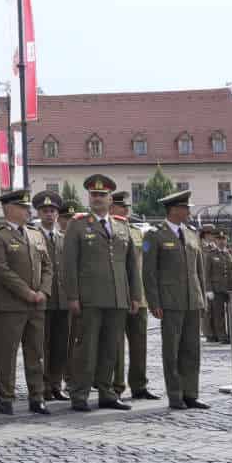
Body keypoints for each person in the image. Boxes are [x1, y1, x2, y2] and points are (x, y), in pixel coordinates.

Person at [63, 174, 141, 411]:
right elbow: (69, 264)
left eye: (102, 195)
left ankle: (107, 392)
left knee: (111, 348)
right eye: (93, 195)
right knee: (86, 348)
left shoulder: (121, 226)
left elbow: (131, 266)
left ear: (110, 199)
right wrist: (73, 296)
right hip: (89, 298)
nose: (97, 199)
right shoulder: (77, 225)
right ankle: (80, 394)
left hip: (117, 297)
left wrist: (135, 295)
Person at [0, 190, 52, 417]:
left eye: (27, 207)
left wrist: (42, 291)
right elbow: (2, 271)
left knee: (35, 354)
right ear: (9, 209)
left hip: (36, 305)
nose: (28, 211)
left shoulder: (35, 234)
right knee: (7, 354)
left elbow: (47, 266)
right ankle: (6, 398)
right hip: (12, 306)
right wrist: (27, 293)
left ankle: (37, 397)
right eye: (23, 207)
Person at [143, 190, 208, 410]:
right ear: (173, 210)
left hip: (192, 300)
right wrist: (154, 302)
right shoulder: (155, 234)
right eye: (185, 208)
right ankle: (175, 394)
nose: (189, 211)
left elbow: (199, 271)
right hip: (170, 301)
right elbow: (149, 272)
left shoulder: (191, 234)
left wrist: (202, 298)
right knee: (172, 350)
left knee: (192, 349)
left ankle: (191, 393)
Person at [107, 190, 156, 400]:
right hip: (116, 294)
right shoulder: (107, 230)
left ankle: (139, 384)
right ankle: (116, 385)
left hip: (139, 296)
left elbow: (145, 262)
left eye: (127, 208)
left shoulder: (137, 232)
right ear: (111, 208)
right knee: (115, 344)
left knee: (139, 343)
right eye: (121, 207)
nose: (126, 211)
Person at [33, 191, 68, 402]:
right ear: (38, 213)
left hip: (62, 300)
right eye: (45, 211)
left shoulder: (63, 239)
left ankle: (56, 384)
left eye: (53, 211)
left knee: (60, 345)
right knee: (42, 346)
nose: (49, 215)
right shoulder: (33, 236)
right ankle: (43, 386)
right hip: (43, 299)